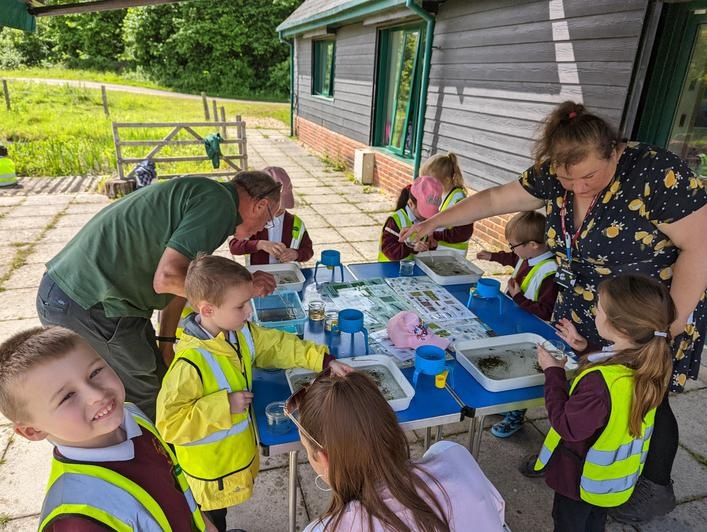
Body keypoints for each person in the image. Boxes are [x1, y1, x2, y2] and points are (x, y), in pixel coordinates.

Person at [400, 101, 707, 520]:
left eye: (590, 177)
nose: (578, 188)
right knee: (589, 391)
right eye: (567, 179)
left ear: (614, 151)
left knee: (645, 399)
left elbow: (701, 247)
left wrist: (668, 327)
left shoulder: (655, 173)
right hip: (589, 311)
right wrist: (434, 222)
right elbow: (495, 198)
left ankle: (652, 486)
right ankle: (572, 456)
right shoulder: (555, 171)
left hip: (643, 318)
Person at [35, 171, 279, 420]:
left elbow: (182, 282)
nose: (262, 229)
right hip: (87, 302)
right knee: (149, 397)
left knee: (160, 375)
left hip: (91, 297)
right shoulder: (219, 207)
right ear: (261, 205)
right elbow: (167, 278)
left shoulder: (210, 197)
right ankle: (161, 445)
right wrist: (242, 293)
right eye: (268, 220)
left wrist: (166, 342)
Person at [155, 254, 350, 532]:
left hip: (233, 460)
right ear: (207, 310)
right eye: (240, 305)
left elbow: (276, 345)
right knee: (210, 521)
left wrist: (323, 360)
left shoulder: (238, 331)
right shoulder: (189, 364)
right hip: (211, 474)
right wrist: (223, 406)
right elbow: (169, 425)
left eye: (248, 302)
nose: (249, 311)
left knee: (221, 517)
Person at [0, 326, 213, 531]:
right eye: (67, 396)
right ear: (32, 431)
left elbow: (173, 479)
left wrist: (204, 523)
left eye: (95, 372)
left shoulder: (132, 415)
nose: (97, 395)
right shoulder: (77, 520)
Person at [534, 274, 675, 531]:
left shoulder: (599, 384)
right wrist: (585, 347)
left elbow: (566, 425)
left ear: (621, 328)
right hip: (612, 480)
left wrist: (553, 372)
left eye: (599, 309)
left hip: (580, 479)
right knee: (594, 522)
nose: (595, 312)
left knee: (569, 524)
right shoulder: (652, 362)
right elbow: (617, 369)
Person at [285, 370, 507, 531]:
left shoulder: (326, 529)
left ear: (325, 459)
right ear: (389, 425)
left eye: (308, 451)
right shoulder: (455, 457)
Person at [477, 210, 559, 438]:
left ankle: (515, 415)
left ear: (532, 244)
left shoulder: (550, 272)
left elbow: (546, 311)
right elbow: (514, 258)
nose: (511, 249)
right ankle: (506, 405)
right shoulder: (528, 255)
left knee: (520, 371)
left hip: (532, 330)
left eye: (513, 245)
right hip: (516, 322)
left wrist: (518, 296)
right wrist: (492, 256)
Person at [229, 166, 314, 265]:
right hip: (257, 271)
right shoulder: (252, 221)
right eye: (273, 207)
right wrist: (260, 244)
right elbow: (234, 247)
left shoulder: (295, 223)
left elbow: (308, 251)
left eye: (282, 205)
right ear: (261, 204)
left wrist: (296, 254)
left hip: (286, 272)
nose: (278, 210)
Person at [378, 175, 444, 261]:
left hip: (410, 266)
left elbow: (423, 245)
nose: (427, 218)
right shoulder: (395, 221)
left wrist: (430, 246)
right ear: (411, 204)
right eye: (424, 212)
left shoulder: (425, 219)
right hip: (389, 267)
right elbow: (388, 250)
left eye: (431, 214)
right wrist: (410, 247)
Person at [420, 153, 473, 254]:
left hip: (452, 253)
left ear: (447, 180)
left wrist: (435, 235)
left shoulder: (458, 199)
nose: (428, 186)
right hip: (441, 250)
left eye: (431, 183)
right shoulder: (442, 194)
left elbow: (463, 233)